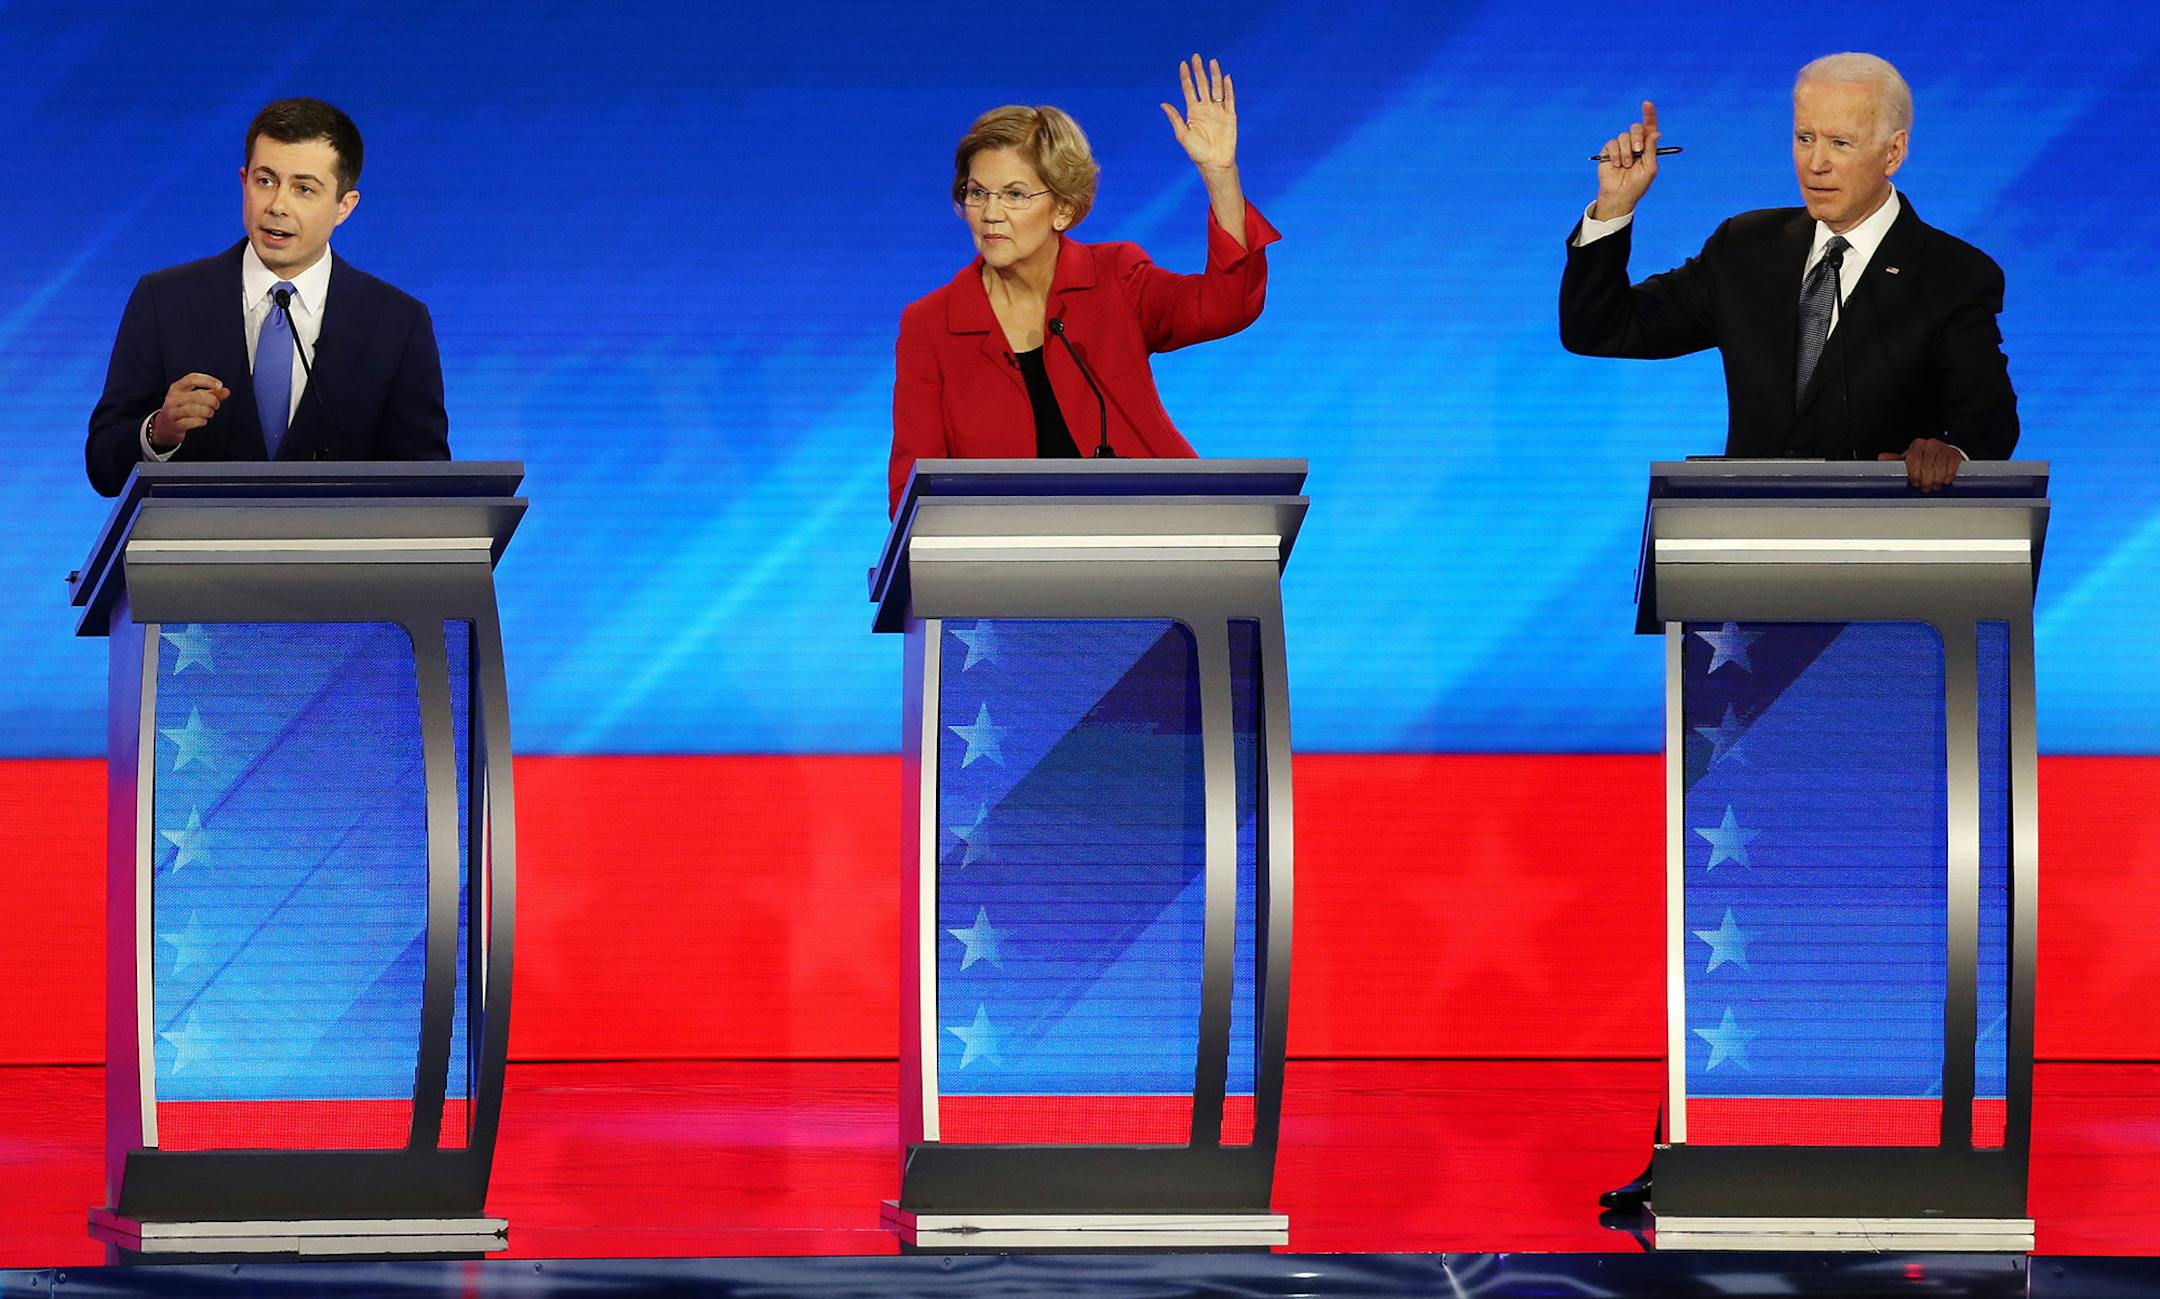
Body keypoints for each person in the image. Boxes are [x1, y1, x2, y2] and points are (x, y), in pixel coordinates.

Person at [1560, 53, 2018, 493]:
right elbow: (1599, 329)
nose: (1815, 163)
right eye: (1805, 138)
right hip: (1750, 545)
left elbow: (1988, 418)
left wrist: (1950, 454)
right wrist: (1615, 207)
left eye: (1840, 143)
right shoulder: (1744, 248)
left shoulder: (1953, 275)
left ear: (1893, 152)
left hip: (1882, 542)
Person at [888, 55, 1279, 512]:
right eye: (978, 192)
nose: (990, 213)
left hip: (1151, 536)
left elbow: (1227, 304)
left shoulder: (1115, 278)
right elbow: (912, 495)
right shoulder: (931, 326)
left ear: (1063, 210)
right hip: (1008, 570)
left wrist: (1220, 175)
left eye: (1014, 194)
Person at [86, 98, 449, 497]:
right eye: (265, 181)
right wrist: (161, 431)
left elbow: (425, 483)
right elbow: (104, 466)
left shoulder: (397, 323)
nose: (278, 205)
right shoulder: (164, 300)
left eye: (304, 189)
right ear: (244, 182)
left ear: (344, 206)